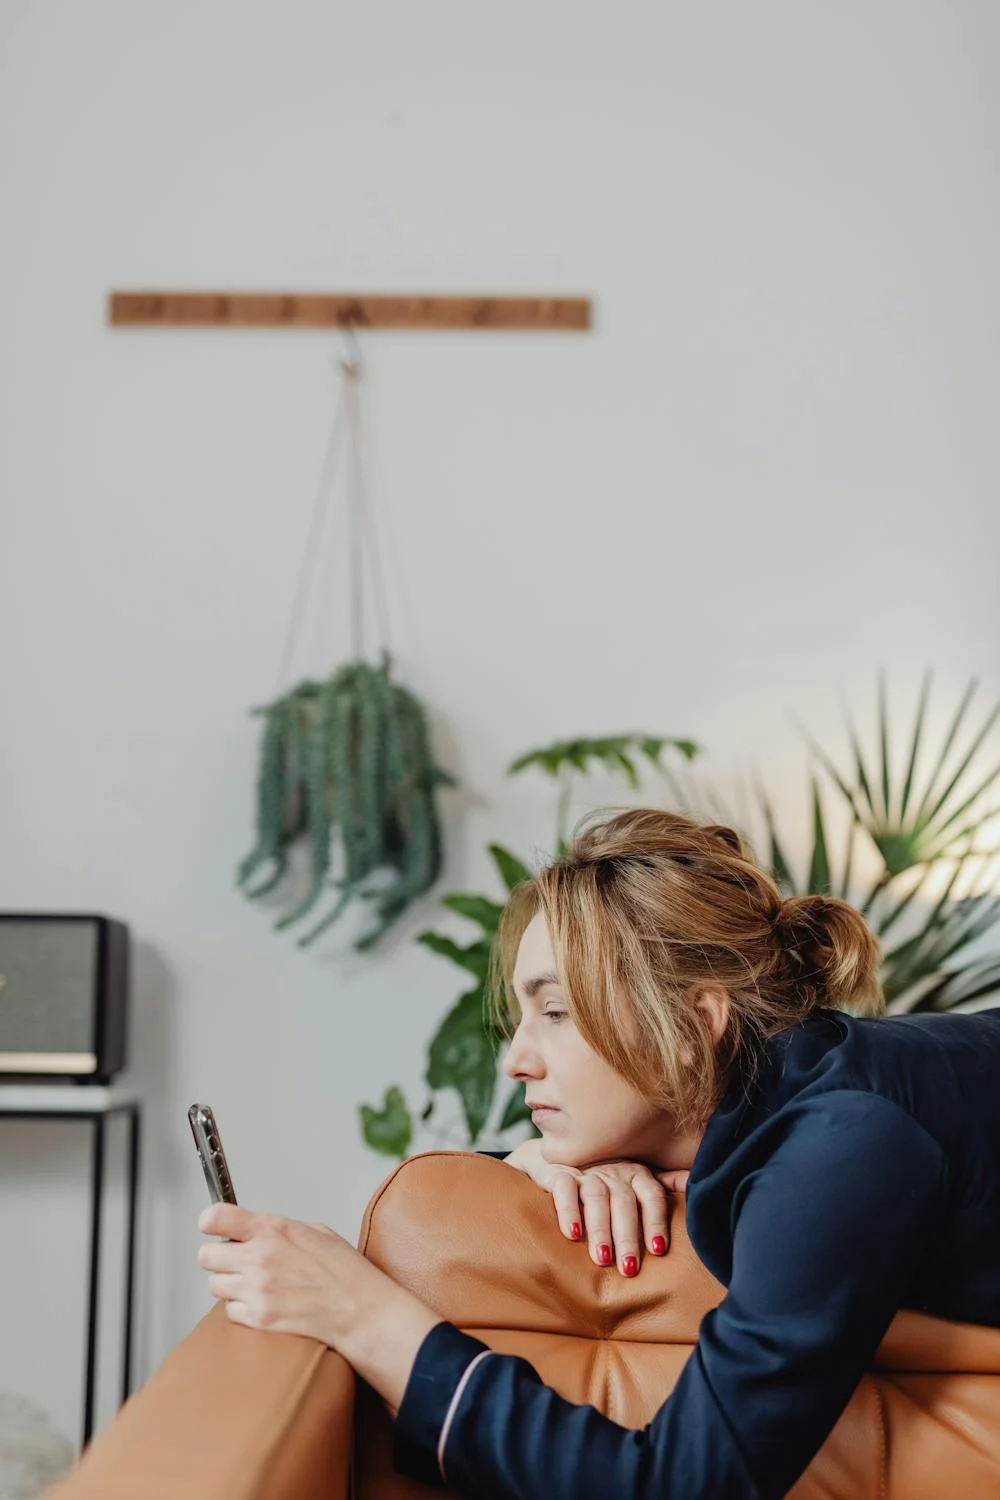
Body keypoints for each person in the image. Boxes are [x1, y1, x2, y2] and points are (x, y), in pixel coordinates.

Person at [197, 807, 1000, 1500]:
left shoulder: (843, 1143)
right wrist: (553, 1158)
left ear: (693, 1026)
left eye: (556, 1012)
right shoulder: (788, 1096)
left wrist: (364, 1316)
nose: (516, 1060)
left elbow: (679, 1486)